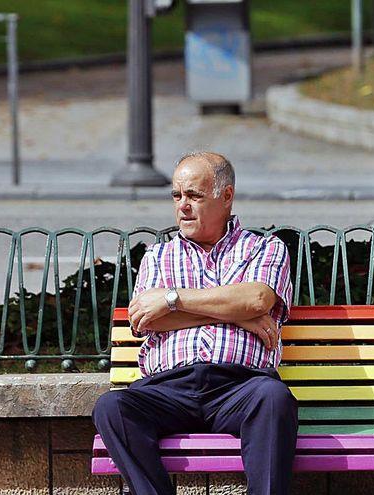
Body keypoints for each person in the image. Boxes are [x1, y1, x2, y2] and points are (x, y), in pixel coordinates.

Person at [93, 152, 296, 495]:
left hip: (239, 387)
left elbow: (258, 300)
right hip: (166, 388)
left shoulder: (264, 248)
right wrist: (236, 314)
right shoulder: (158, 256)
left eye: (194, 196)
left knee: (274, 398)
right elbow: (145, 318)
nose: (182, 206)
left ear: (226, 196)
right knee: (112, 407)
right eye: (177, 195)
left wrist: (173, 300)